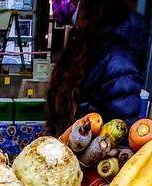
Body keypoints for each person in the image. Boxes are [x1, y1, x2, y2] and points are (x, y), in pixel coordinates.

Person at [47, 0, 146, 133]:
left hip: (91, 151)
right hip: (68, 148)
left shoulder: (118, 58)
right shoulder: (85, 45)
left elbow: (120, 130)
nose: (65, 4)